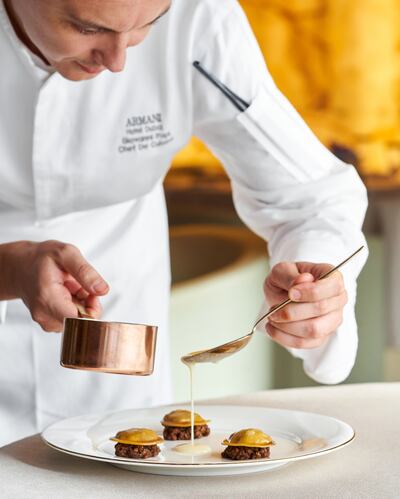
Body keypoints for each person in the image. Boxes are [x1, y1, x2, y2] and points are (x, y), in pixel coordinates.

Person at [0, 0, 367, 447]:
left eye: (147, 26)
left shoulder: (197, 17)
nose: (118, 62)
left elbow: (309, 195)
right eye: (85, 27)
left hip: (120, 375)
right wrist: (10, 268)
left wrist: (316, 281)